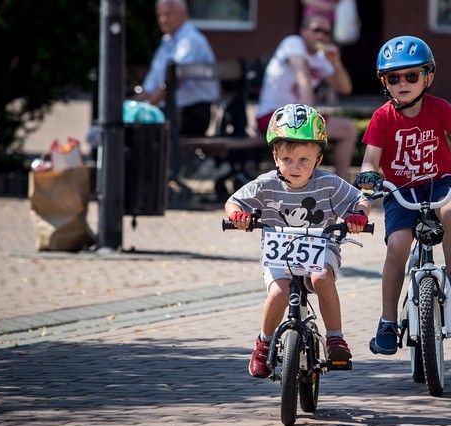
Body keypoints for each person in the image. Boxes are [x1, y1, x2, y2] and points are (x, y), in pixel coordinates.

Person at [352, 35, 451, 356]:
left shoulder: (440, 108)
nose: (402, 83)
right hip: (400, 190)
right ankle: (388, 322)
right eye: (393, 78)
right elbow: (370, 159)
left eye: (411, 76)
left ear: (427, 77)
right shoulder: (382, 117)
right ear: (384, 82)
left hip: (439, 183)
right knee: (398, 245)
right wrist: (369, 174)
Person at [225, 103, 372, 378]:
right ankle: (263, 344)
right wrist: (238, 216)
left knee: (322, 278)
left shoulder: (329, 183)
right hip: (279, 253)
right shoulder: (266, 184)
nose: (295, 167)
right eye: (287, 159)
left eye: (304, 160)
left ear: (318, 159)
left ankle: (335, 338)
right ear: (275, 156)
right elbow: (234, 202)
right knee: (279, 292)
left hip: (321, 247)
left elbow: (360, 200)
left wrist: (358, 217)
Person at [255, 13, 357, 180]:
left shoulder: (321, 57)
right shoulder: (293, 43)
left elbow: (345, 88)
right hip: (272, 116)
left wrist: (336, 63)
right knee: (306, 139)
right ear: (303, 31)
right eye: (316, 30)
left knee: (349, 129)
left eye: (326, 32)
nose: (321, 36)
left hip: (299, 118)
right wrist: (311, 120)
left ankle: (341, 184)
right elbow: (302, 77)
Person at [134, 0, 219, 136]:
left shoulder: (191, 40)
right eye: (160, 15)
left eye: (168, 14)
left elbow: (172, 81)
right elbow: (149, 87)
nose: (163, 20)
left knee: (138, 131)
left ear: (184, 14)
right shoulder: (166, 42)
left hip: (190, 113)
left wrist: (146, 109)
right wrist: (131, 107)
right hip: (170, 111)